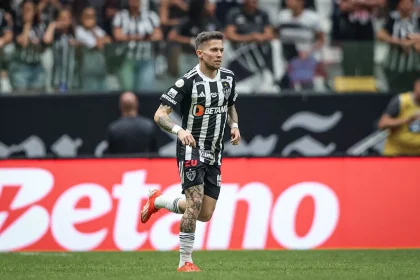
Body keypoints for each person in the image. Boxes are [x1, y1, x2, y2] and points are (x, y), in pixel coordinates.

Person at [141, 31, 241, 272]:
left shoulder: (228, 78)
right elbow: (159, 115)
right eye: (213, 50)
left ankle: (159, 200)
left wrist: (235, 126)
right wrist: (179, 130)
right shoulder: (187, 82)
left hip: (215, 152)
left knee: (204, 213)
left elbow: (230, 107)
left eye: (221, 50)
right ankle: (185, 261)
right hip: (191, 150)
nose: (219, 54)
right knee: (194, 202)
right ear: (200, 53)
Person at [378, 79, 420, 155]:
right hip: (396, 153)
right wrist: (407, 120)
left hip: (417, 155)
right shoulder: (401, 100)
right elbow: (382, 124)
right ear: (416, 85)